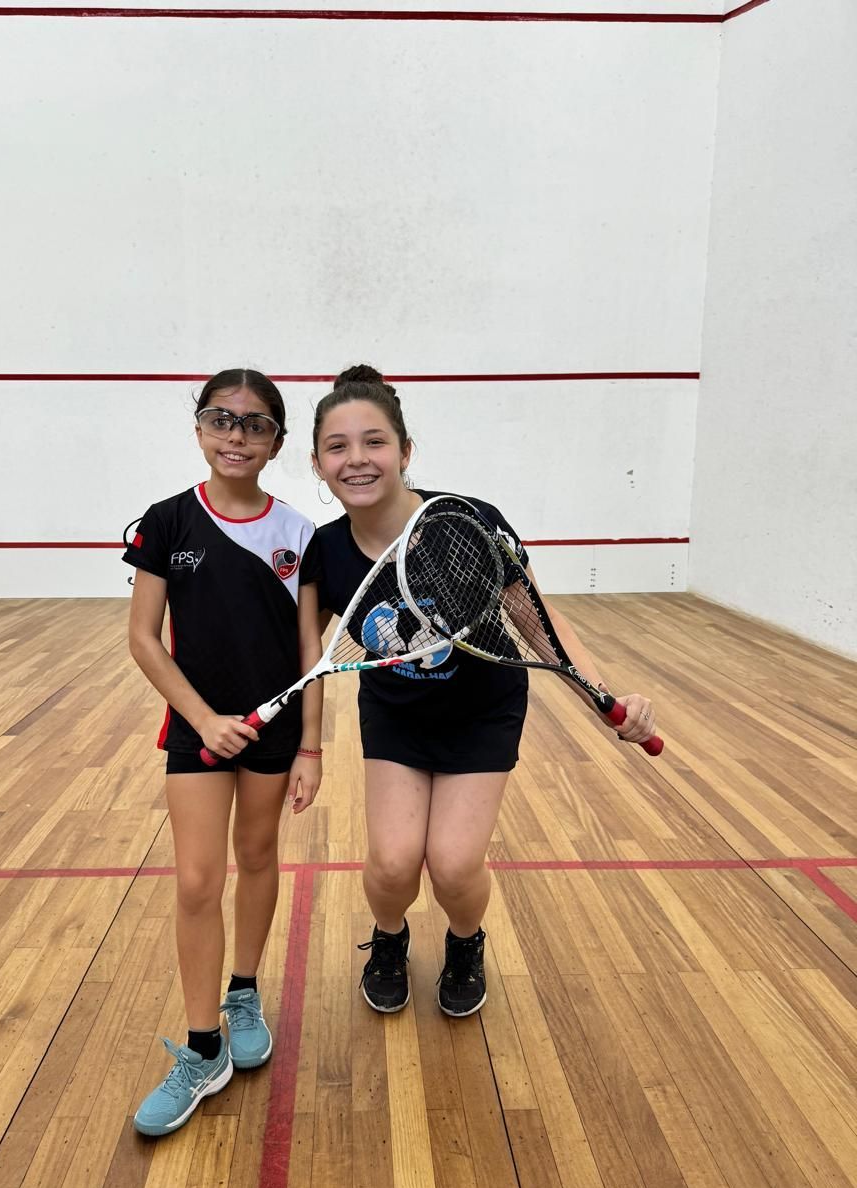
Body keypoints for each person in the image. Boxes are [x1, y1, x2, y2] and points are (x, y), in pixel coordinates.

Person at [311, 366, 657, 1017]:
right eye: (338, 446)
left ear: (405, 452)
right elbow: (297, 649)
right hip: (396, 714)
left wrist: (608, 701)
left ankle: (465, 943)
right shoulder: (324, 553)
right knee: (391, 865)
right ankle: (390, 940)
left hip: (482, 710)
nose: (357, 459)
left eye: (375, 441)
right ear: (318, 464)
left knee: (453, 864)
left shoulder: (469, 523)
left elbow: (541, 627)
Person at [124, 368, 323, 1136]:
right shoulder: (166, 523)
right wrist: (204, 720)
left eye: (255, 424)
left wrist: (311, 745)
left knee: (260, 854)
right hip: (197, 732)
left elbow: (310, 650)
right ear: (199, 428)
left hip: (275, 734)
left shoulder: (298, 536)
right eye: (221, 419)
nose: (236, 435)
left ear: (276, 441)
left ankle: (244, 990)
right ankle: (203, 1046)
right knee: (198, 880)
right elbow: (143, 639)